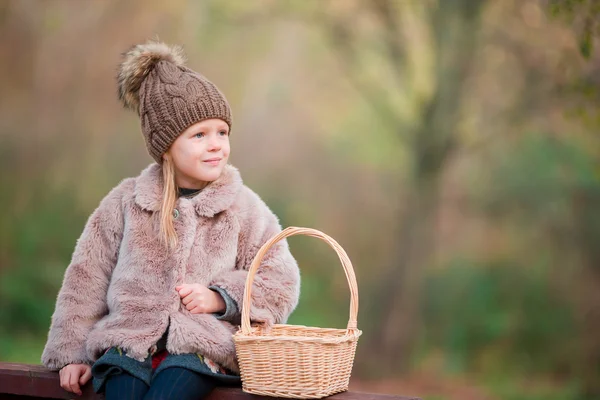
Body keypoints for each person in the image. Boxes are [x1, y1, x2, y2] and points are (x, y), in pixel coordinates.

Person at [41, 39, 301, 400]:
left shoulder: (243, 207)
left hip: (202, 349)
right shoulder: (126, 202)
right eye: (199, 135)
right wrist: (71, 354)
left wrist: (219, 297)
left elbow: (280, 280)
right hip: (128, 343)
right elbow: (86, 277)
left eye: (222, 132)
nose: (216, 145)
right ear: (166, 147)